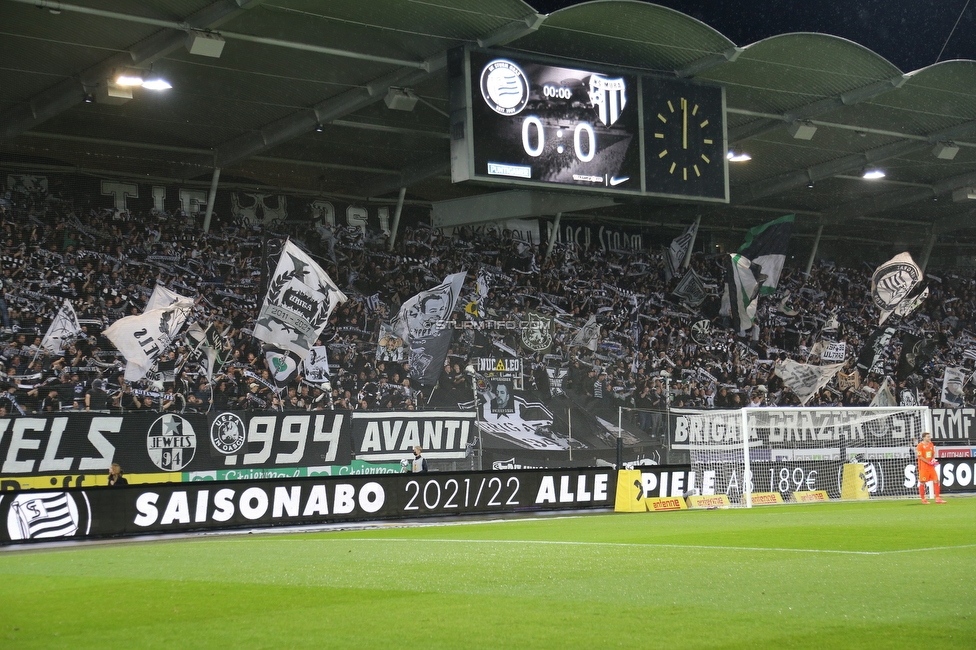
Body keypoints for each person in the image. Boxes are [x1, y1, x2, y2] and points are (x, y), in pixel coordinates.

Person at [916, 432, 945, 504]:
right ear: (924, 438)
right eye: (928, 437)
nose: (929, 438)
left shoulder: (931, 444)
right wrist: (928, 462)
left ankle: (938, 498)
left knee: (936, 480)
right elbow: (920, 457)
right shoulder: (920, 446)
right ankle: (923, 500)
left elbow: (932, 454)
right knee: (922, 482)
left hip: (931, 467)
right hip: (923, 467)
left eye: (929, 437)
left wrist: (933, 460)